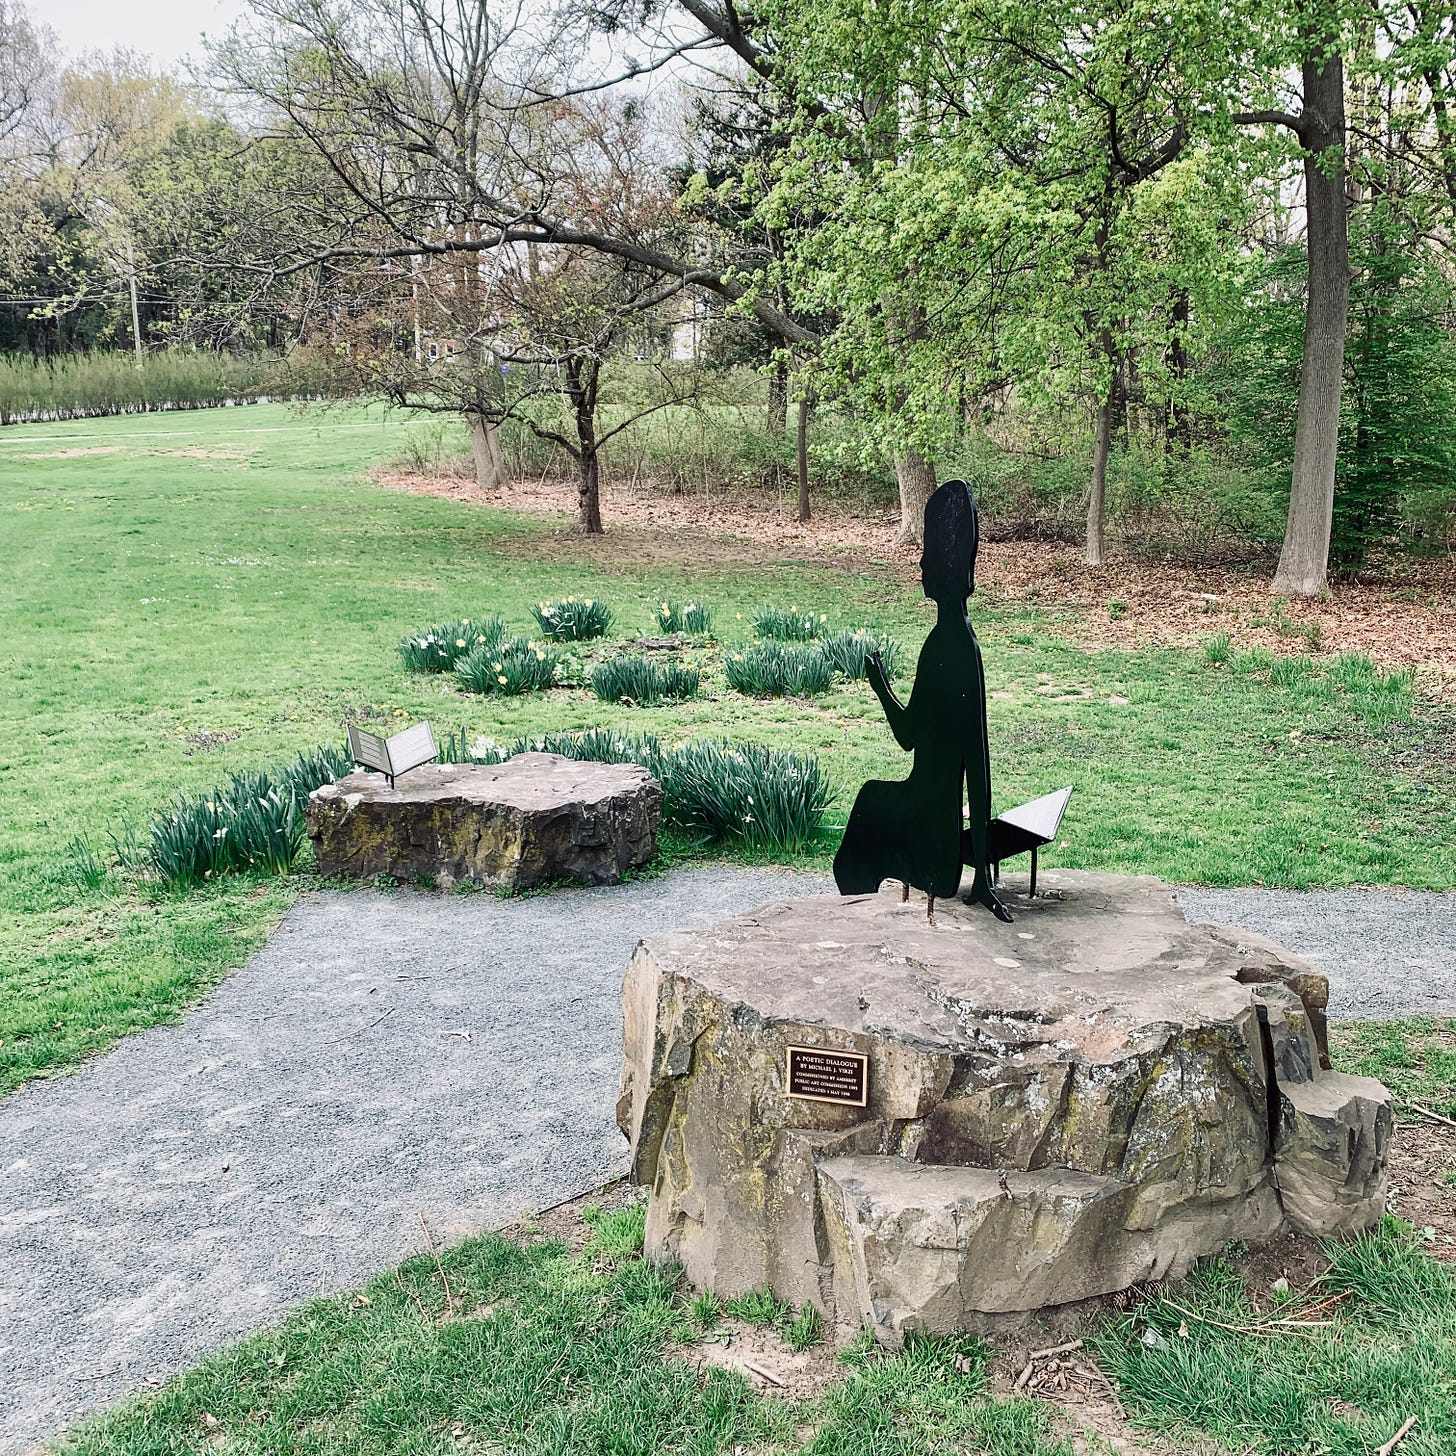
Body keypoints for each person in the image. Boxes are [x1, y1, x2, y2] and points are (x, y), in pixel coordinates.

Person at [833, 479, 1012, 922]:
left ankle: (850, 924)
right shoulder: (960, 642)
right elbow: (975, 765)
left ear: (942, 567)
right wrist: (983, 875)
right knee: (872, 803)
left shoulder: (945, 646)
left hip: (932, 833)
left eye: (927, 556)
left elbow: (912, 738)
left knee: (869, 809)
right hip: (943, 829)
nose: (919, 564)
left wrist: (879, 686)